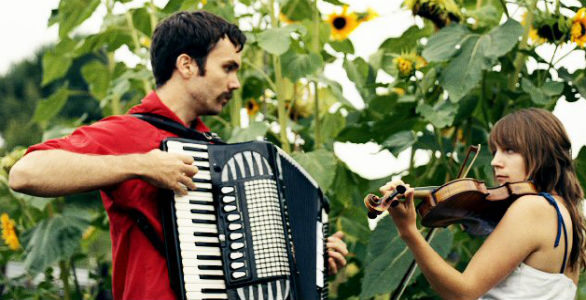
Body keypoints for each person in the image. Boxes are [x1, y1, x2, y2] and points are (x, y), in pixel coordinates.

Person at [8, 10, 347, 300]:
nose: (236, 83)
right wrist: (141, 164)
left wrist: (307, 255)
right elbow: (25, 173)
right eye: (228, 68)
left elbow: (237, 258)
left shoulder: (218, 153)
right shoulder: (129, 133)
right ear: (186, 65)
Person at [379, 108, 586, 300]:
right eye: (495, 151)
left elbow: (463, 292)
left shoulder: (532, 207)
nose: (495, 161)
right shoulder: (563, 213)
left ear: (541, 152)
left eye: (509, 150)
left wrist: (409, 232)